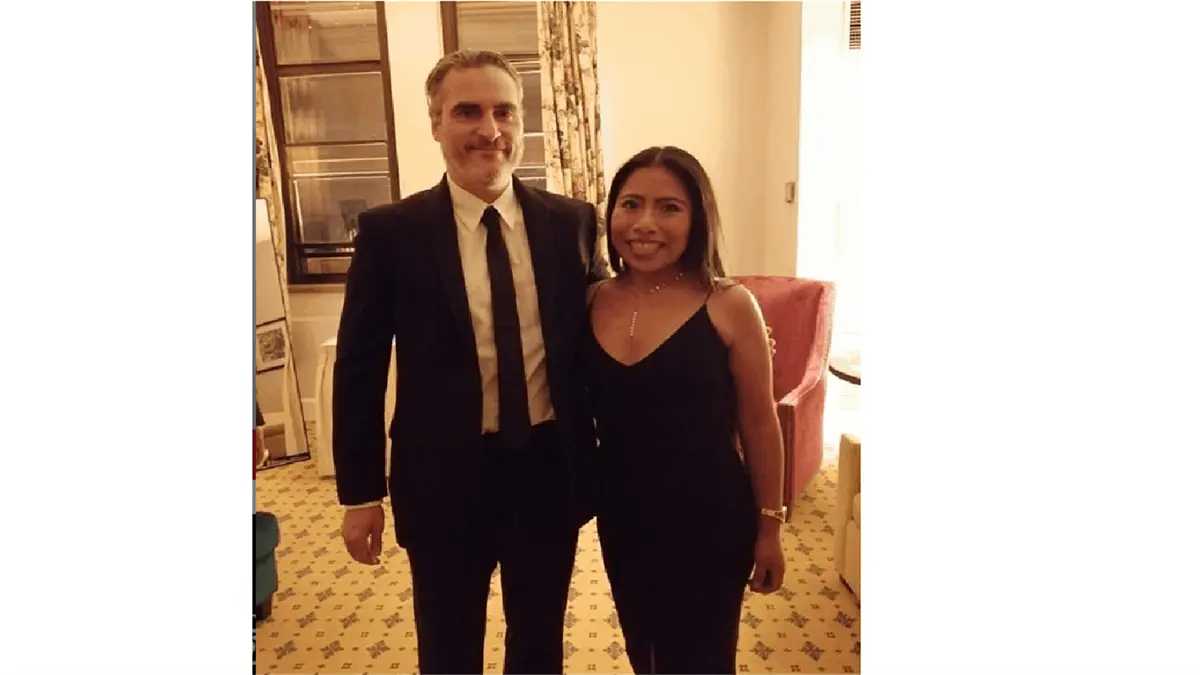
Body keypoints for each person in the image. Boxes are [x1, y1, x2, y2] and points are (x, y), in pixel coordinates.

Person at [331, 49, 609, 675]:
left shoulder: (572, 223)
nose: (490, 130)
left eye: (504, 111)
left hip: (548, 470)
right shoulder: (391, 233)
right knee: (448, 646)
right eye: (467, 112)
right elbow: (359, 369)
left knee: (538, 643)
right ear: (435, 122)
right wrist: (361, 493)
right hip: (442, 477)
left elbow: (608, 330)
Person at [583, 146, 788, 674]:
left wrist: (770, 528)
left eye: (669, 207)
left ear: (698, 218)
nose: (645, 223)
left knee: (702, 659)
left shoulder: (729, 304)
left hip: (709, 516)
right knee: (644, 650)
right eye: (631, 204)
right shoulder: (590, 300)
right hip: (622, 514)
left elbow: (760, 423)